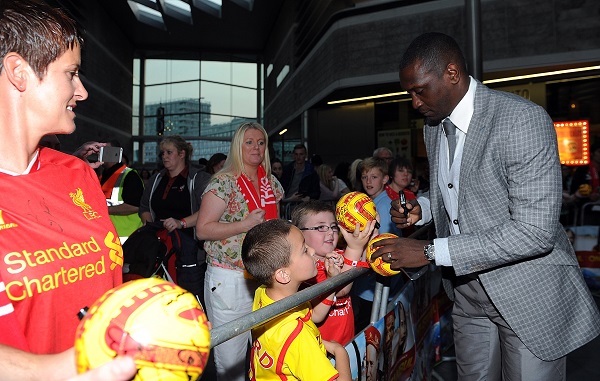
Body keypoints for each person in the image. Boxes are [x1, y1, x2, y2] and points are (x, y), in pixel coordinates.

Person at [371, 32, 600, 380]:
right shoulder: (434, 127)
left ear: (451, 73)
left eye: (419, 90)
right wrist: (425, 208)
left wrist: (431, 250)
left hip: (526, 293)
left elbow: (534, 233)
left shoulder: (520, 120)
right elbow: (458, 190)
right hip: (466, 292)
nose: (414, 102)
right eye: (409, 93)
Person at [0, 0, 136, 379]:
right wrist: (72, 367)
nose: (82, 92)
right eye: (71, 74)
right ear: (19, 73)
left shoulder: (76, 173)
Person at [195, 122, 284, 381]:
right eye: (249, 142)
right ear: (237, 146)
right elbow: (202, 229)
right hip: (230, 278)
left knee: (265, 354)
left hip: (266, 276)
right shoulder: (223, 182)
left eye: (261, 142)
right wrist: (245, 225)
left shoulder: (270, 182)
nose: (256, 147)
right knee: (230, 361)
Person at [241, 219, 352, 381]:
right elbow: (298, 340)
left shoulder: (265, 293)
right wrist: (340, 351)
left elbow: (314, 316)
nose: (313, 251)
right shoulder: (297, 336)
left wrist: (331, 281)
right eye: (304, 250)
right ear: (283, 274)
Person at [291, 201, 376, 345]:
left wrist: (371, 228)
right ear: (299, 234)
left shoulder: (339, 254)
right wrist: (354, 249)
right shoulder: (304, 267)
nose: (330, 232)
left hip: (346, 340)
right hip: (321, 348)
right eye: (321, 227)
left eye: (333, 226)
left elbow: (367, 258)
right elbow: (341, 289)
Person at [99, 140, 144, 243]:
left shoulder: (129, 175)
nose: (101, 153)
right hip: (108, 238)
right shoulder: (101, 177)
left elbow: (135, 206)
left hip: (127, 240)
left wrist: (101, 210)